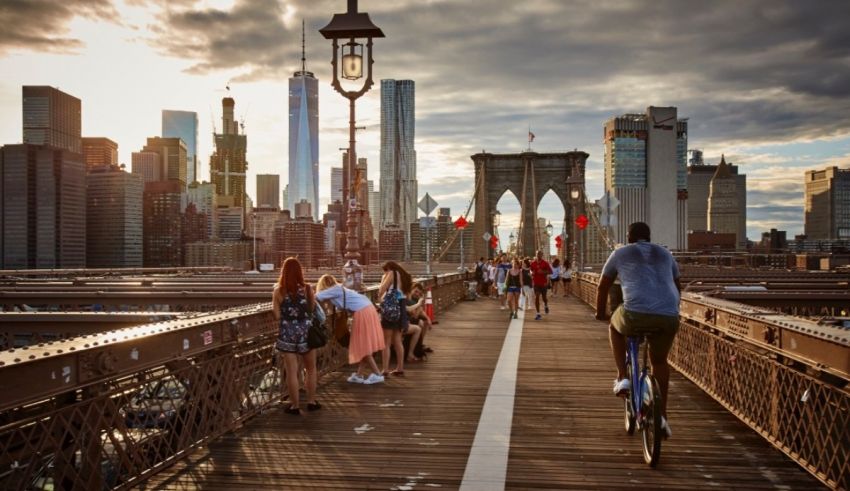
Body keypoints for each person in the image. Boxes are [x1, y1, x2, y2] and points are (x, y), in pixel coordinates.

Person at [595, 222, 681, 438]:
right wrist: (672, 309)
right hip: (669, 314)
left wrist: (600, 314)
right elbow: (677, 285)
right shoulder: (665, 253)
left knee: (615, 326)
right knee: (659, 362)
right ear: (649, 237)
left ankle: (623, 377)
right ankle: (661, 415)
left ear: (629, 237)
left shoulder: (620, 252)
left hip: (635, 313)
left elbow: (603, 286)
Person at [272, 257, 322, 415]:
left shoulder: (279, 291)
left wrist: (288, 319)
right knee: (311, 369)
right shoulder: (307, 289)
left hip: (287, 332)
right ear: (300, 271)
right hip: (306, 332)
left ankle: (294, 406)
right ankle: (311, 402)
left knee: (291, 371)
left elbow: (276, 314)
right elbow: (312, 308)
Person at [315, 275, 385, 385]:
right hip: (367, 310)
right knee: (364, 345)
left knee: (363, 346)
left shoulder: (333, 290)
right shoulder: (340, 288)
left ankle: (377, 374)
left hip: (362, 313)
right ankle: (359, 374)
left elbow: (316, 297)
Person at [378, 261, 412, 376]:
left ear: (388, 268)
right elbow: (406, 296)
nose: (385, 273)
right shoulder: (403, 276)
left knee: (386, 342)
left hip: (391, 308)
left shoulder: (392, 273)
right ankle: (400, 368)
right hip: (400, 307)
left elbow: (382, 289)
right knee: (397, 341)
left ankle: (385, 369)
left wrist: (383, 279)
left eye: (385, 270)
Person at [530, 250, 552, 320]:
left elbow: (551, 271)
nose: (538, 255)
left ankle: (546, 305)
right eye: (537, 254)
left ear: (542, 255)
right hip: (536, 283)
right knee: (537, 296)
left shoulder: (545, 263)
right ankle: (538, 313)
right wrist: (531, 273)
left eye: (540, 254)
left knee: (544, 298)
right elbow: (530, 270)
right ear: (536, 255)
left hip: (543, 283)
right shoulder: (533, 263)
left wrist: (543, 272)